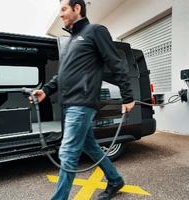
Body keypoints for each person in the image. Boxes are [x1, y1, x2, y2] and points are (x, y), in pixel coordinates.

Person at [29, 0, 135, 199]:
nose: (60, 14)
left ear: (77, 8)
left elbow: (115, 63)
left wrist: (128, 96)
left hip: (82, 103)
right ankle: (115, 180)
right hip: (70, 105)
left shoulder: (95, 31)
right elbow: (64, 74)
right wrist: (46, 90)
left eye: (64, 9)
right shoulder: (72, 41)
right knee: (90, 146)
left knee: (68, 153)